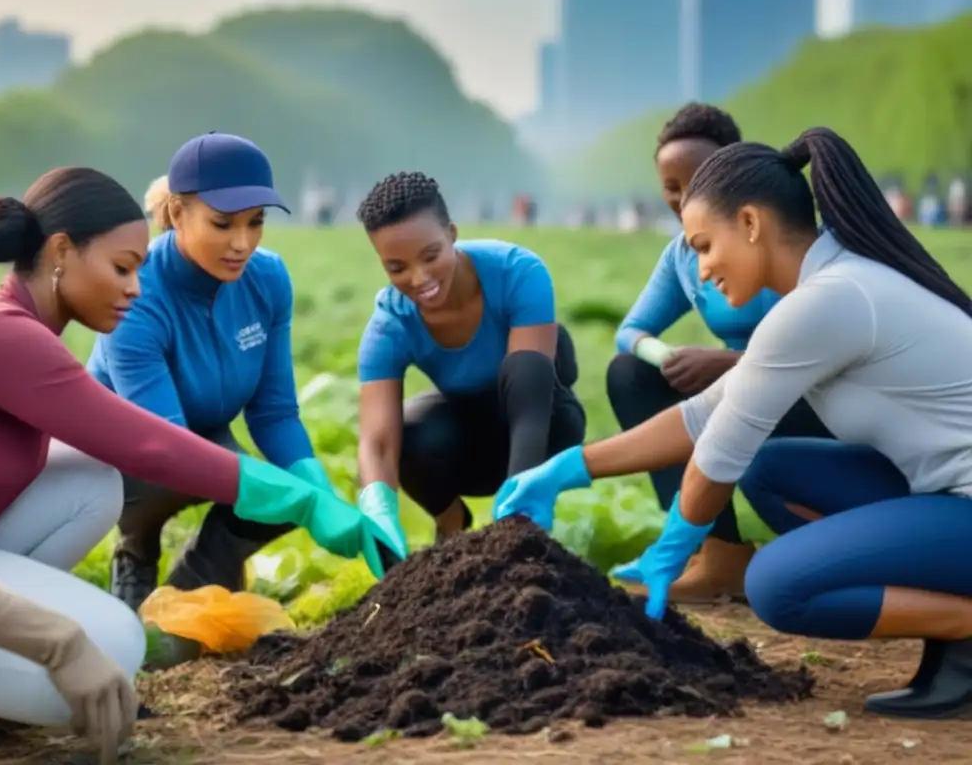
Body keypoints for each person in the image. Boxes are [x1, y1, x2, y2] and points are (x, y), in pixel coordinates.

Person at [494, 125, 972, 718]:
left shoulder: (828, 301)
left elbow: (718, 453)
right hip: (942, 492)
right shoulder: (830, 285)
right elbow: (701, 415)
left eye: (702, 246)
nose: (700, 269)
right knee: (773, 471)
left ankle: (965, 631)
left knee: (778, 585)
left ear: (750, 223)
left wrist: (672, 549)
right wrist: (567, 469)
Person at [0, 166, 389, 761]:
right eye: (122, 268)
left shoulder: (15, 326)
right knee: (119, 646)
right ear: (60, 252)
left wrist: (307, 484)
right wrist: (59, 644)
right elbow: (148, 443)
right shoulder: (5, 337)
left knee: (90, 481)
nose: (135, 286)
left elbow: (144, 443)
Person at [88, 133, 407, 614]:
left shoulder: (268, 278)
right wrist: (302, 501)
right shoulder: (136, 296)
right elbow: (167, 446)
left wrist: (317, 491)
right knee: (264, 491)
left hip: (207, 431)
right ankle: (137, 550)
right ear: (176, 214)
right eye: (222, 224)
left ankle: (199, 577)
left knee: (291, 482)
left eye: (255, 223)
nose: (242, 243)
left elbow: (274, 412)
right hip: (131, 448)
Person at [607, 103, 832, 604]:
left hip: (813, 394)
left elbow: (829, 343)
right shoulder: (684, 255)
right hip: (744, 389)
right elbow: (630, 331)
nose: (685, 197)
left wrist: (728, 363)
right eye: (672, 186)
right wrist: (665, 354)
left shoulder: (792, 236)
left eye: (699, 179)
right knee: (629, 374)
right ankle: (717, 552)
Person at [355, 171, 586, 542]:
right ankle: (451, 525)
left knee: (544, 382)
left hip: (541, 424)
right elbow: (377, 442)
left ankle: (523, 519)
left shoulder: (518, 272)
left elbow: (529, 399)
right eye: (397, 268)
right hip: (466, 443)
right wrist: (377, 510)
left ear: (452, 235)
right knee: (409, 431)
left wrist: (516, 519)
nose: (419, 279)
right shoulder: (389, 325)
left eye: (431, 256)